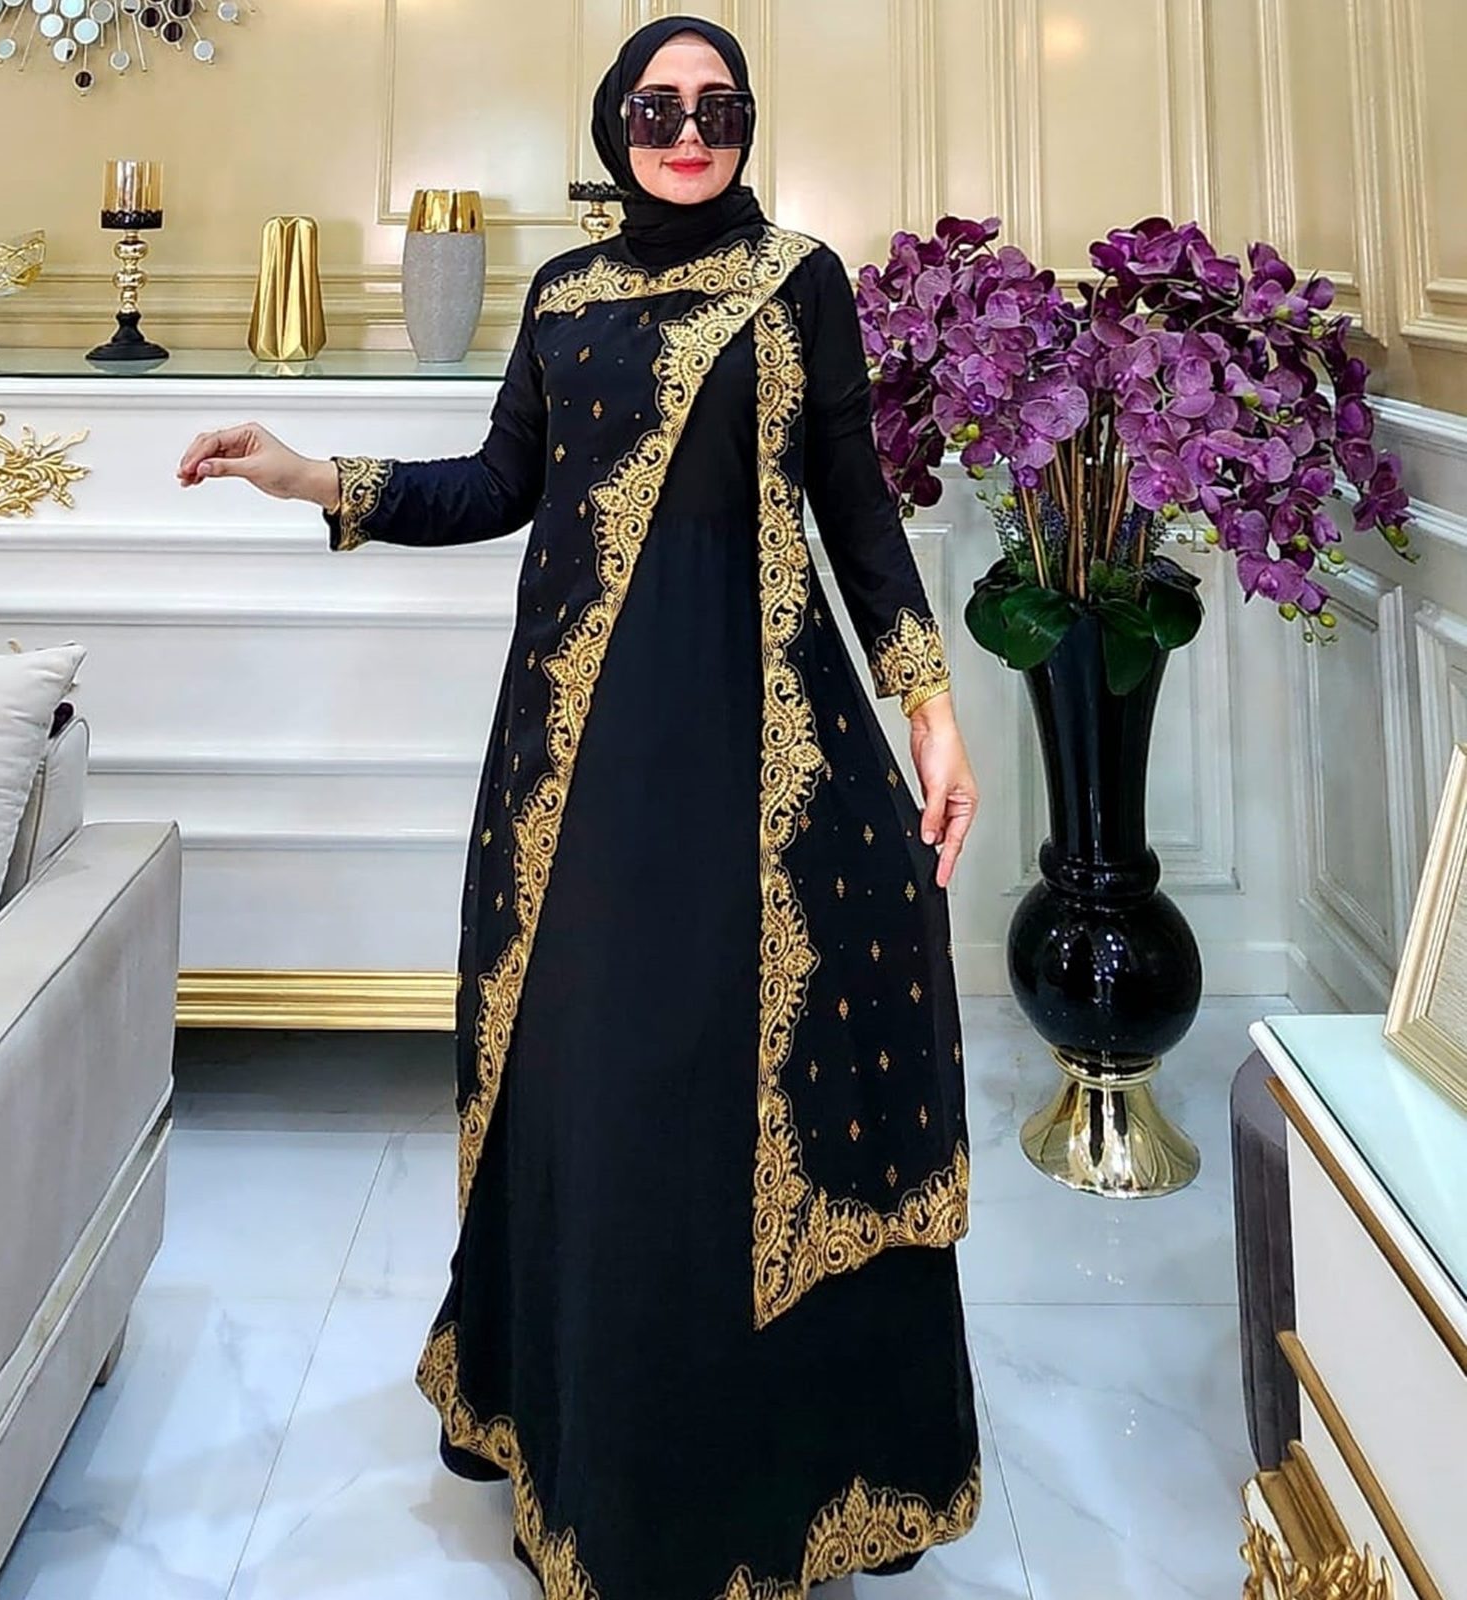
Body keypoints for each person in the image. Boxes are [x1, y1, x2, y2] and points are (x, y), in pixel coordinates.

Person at [178, 16, 980, 1597]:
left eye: (717, 109)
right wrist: (313, 476)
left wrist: (932, 709)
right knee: (600, 1075)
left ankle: (782, 1477)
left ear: (749, 123)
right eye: (658, 108)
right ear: (614, 123)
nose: (688, 134)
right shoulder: (562, 295)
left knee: (745, 1079)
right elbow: (498, 488)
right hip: (577, 769)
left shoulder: (798, 280)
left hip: (764, 748)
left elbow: (855, 506)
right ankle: (600, 1459)